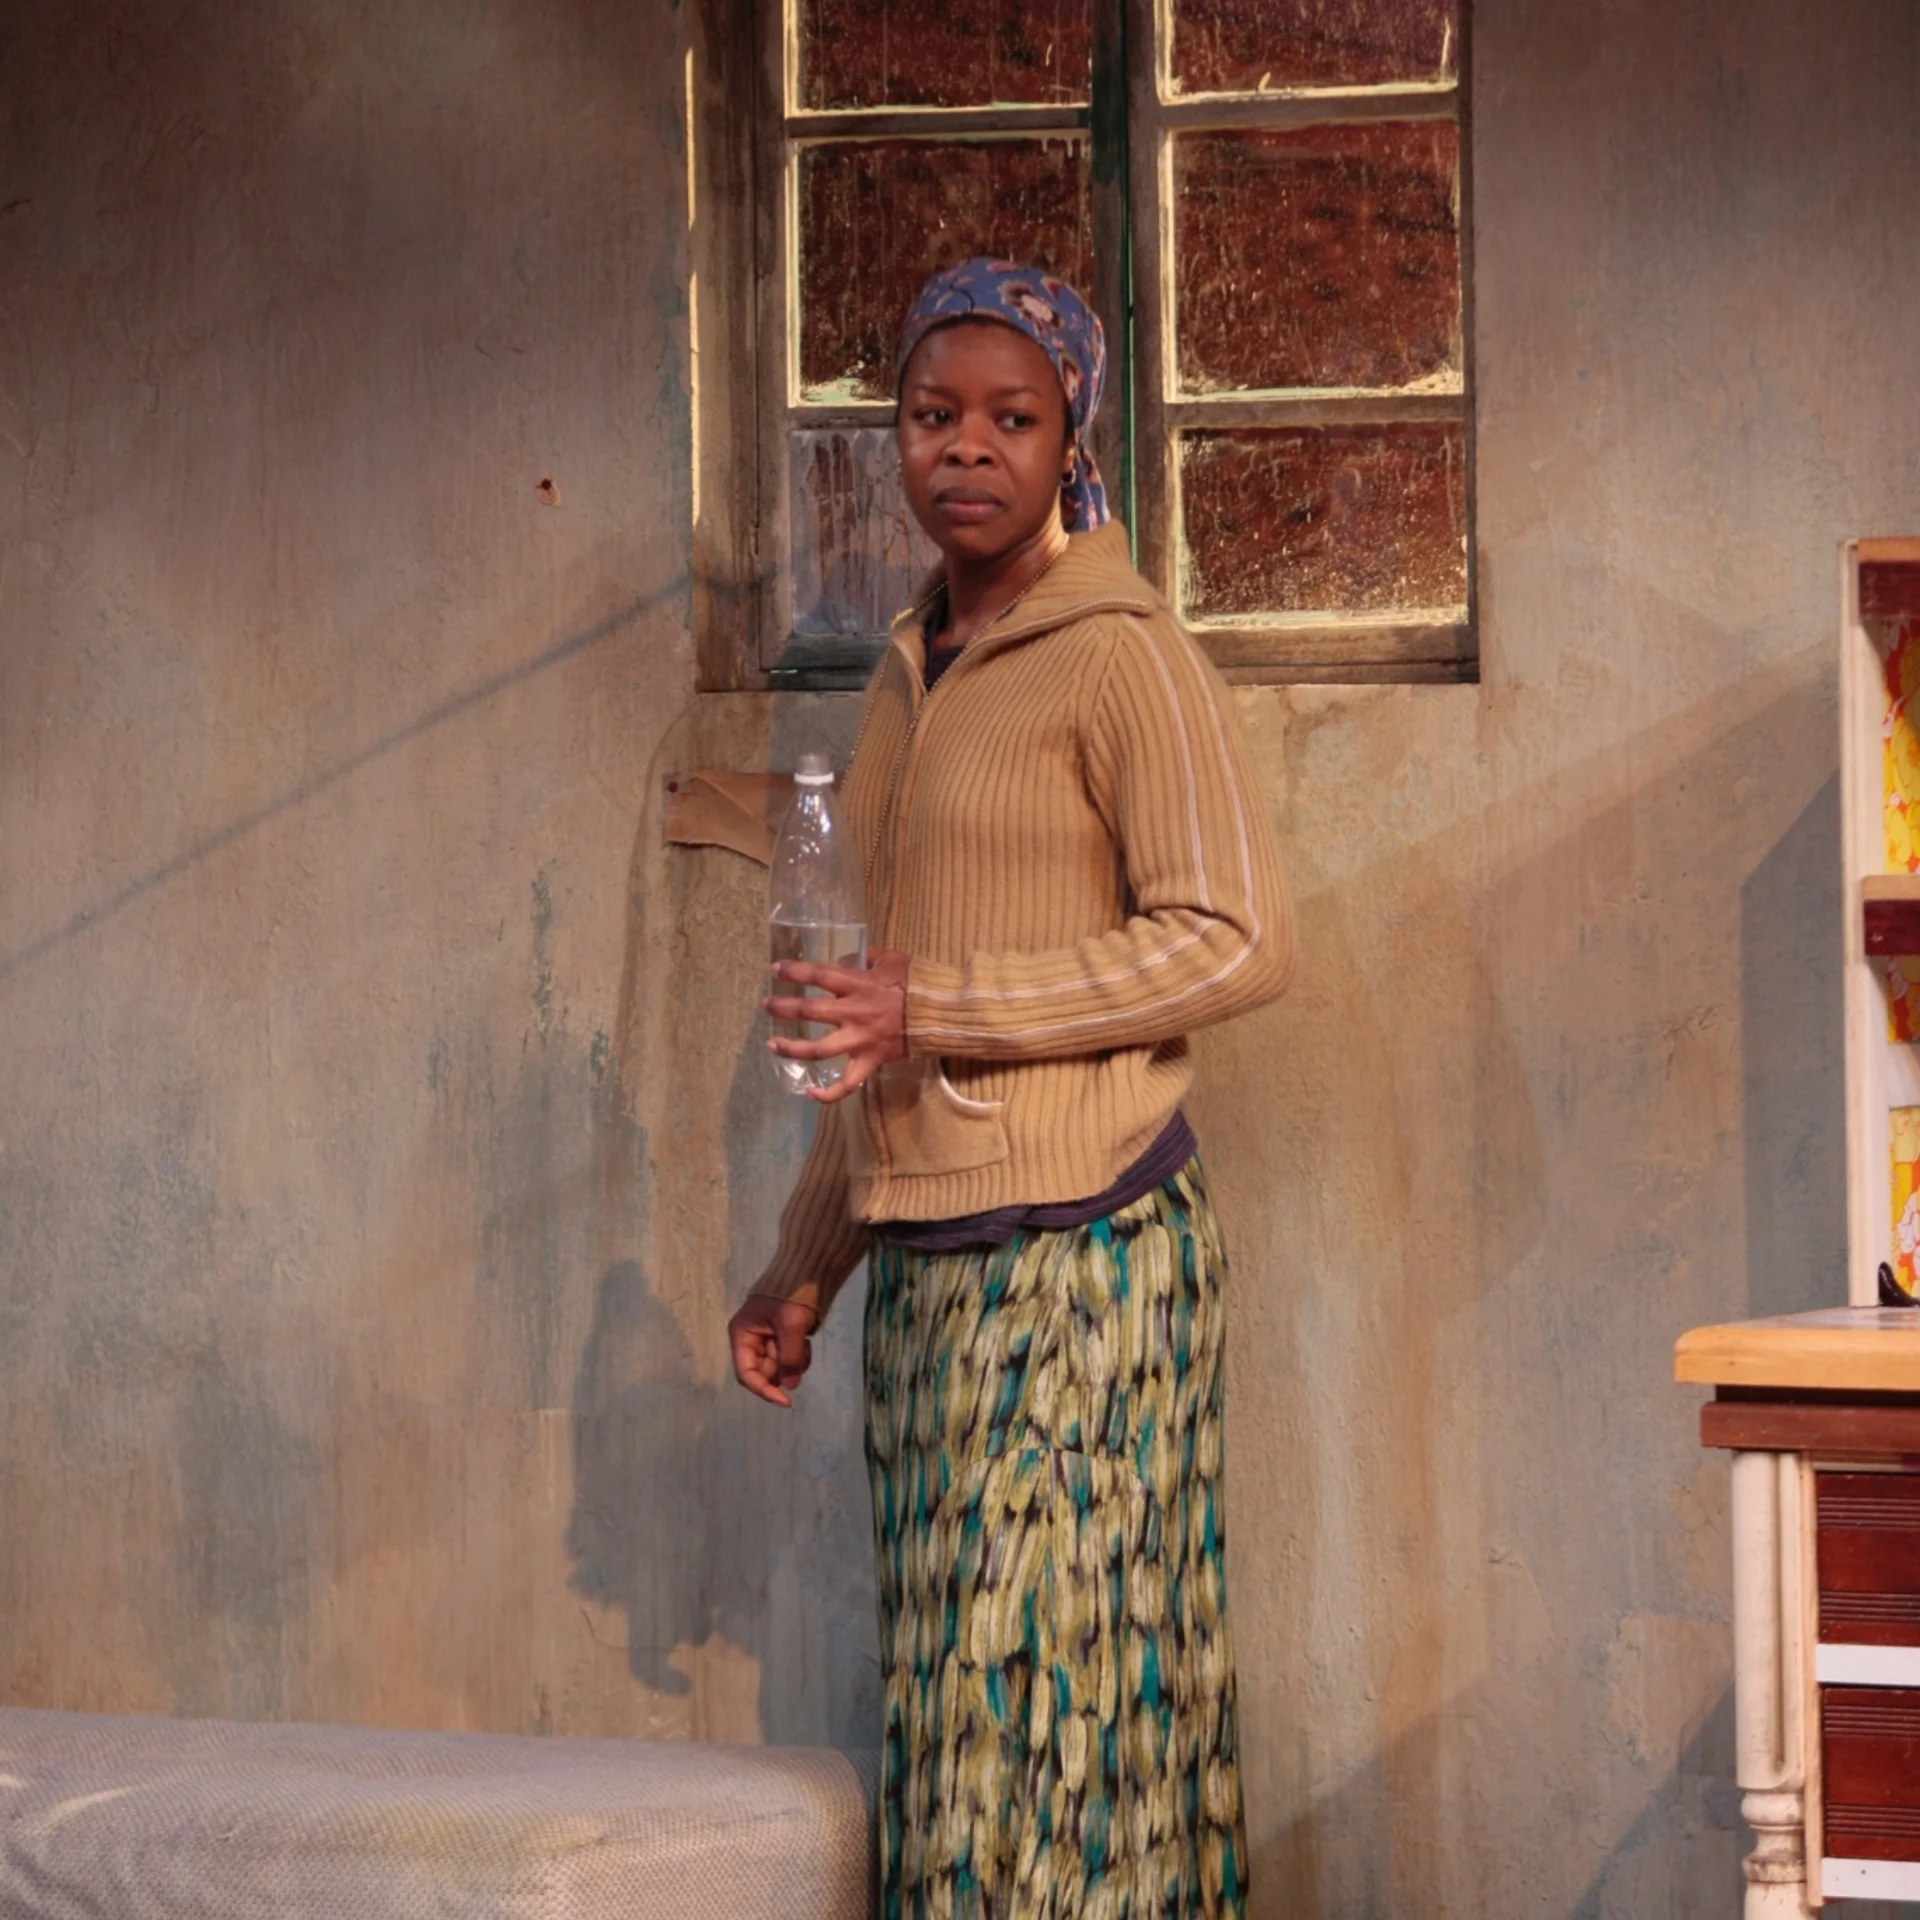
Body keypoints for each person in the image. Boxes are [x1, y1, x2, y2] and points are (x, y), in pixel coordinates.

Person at [727, 257, 1294, 1918]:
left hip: (1083, 1264)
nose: (964, 450)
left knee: (1059, 1730)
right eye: (931, 416)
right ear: (894, 439)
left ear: (1071, 440)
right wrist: (805, 1260)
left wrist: (942, 1003)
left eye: (1010, 419)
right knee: (972, 1728)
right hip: (927, 1279)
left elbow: (1235, 939)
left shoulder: (1121, 654)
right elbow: (868, 1010)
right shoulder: (908, 671)